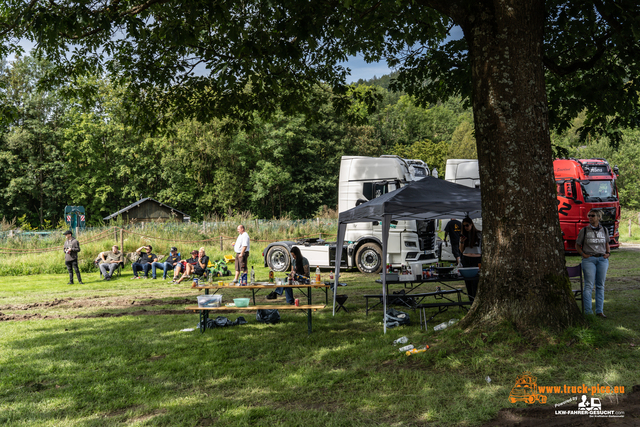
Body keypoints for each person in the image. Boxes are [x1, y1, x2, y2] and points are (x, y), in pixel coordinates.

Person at [575, 209, 611, 318]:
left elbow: (606, 243)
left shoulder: (604, 230)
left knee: (600, 286)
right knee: (588, 286)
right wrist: (583, 254)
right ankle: (588, 312)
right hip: (589, 260)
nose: (590, 217)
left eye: (593, 215)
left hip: (602, 260)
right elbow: (577, 245)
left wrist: (608, 253)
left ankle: (599, 311)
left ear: (599, 217)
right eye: (589, 215)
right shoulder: (584, 230)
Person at [459, 217, 481, 301]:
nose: (466, 227)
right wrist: (462, 241)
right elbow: (461, 250)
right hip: (466, 258)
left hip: (477, 259)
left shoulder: (479, 234)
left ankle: (476, 300)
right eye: (464, 226)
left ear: (472, 224)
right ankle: (471, 300)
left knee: (476, 281)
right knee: (468, 282)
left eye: (467, 225)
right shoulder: (463, 235)